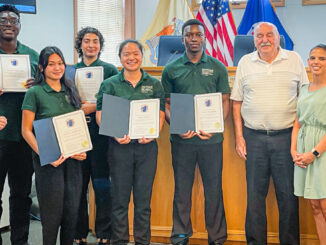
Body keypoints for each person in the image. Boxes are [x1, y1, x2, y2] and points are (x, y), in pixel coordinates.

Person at [231, 22, 309, 245]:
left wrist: (296, 141)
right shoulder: (245, 62)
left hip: (286, 138)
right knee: (255, 198)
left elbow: (304, 101)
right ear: (253, 39)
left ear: (278, 37)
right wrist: (239, 137)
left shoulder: (294, 59)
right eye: (259, 36)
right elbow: (236, 103)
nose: (264, 39)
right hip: (253, 138)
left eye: (269, 35)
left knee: (288, 197)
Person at [161, 19, 230, 245]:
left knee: (214, 190)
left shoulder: (218, 67)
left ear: (204, 38)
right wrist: (178, 127)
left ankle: (217, 238)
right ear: (182, 40)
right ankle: (180, 236)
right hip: (182, 142)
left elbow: (225, 101)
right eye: (189, 35)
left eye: (197, 35)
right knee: (181, 191)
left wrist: (215, 126)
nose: (193, 38)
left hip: (212, 141)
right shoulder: (171, 69)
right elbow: (167, 104)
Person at [96, 39, 165, 245]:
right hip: (119, 148)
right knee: (119, 200)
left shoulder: (154, 83)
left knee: (143, 202)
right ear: (120, 58)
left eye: (135, 53)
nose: (131, 58)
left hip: (146, 147)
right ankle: (119, 241)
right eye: (126, 54)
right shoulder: (109, 84)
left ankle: (142, 241)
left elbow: (160, 112)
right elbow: (100, 114)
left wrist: (154, 133)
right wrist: (113, 132)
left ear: (142, 56)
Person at [21, 46, 87, 245]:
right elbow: (26, 130)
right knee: (51, 217)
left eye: (60, 63)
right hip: (49, 164)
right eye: (51, 64)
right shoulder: (35, 92)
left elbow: (77, 124)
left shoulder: (71, 89)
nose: (57, 68)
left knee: (71, 213)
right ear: (42, 67)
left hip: (73, 162)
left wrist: (81, 149)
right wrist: (46, 154)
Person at [74, 27, 118, 245]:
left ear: (100, 46)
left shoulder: (110, 70)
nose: (91, 45)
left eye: (95, 41)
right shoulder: (70, 70)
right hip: (76, 134)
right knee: (78, 187)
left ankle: (104, 233)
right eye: (87, 41)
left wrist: (94, 107)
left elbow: (116, 100)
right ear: (80, 44)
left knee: (102, 185)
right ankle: (78, 232)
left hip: (101, 135)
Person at [0, 4, 38, 245]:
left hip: (24, 136)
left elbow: (46, 92)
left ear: (20, 26)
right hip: (0, 136)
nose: (8, 23)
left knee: (21, 195)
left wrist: (37, 87)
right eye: (3, 19)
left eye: (13, 19)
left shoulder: (32, 56)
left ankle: (20, 241)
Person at [291, 44, 326, 245]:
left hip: (321, 151)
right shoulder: (304, 89)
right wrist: (294, 150)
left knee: (324, 205)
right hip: (304, 152)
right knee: (314, 205)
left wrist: (314, 153)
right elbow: (297, 124)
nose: (316, 62)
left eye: (322, 58)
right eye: (312, 58)